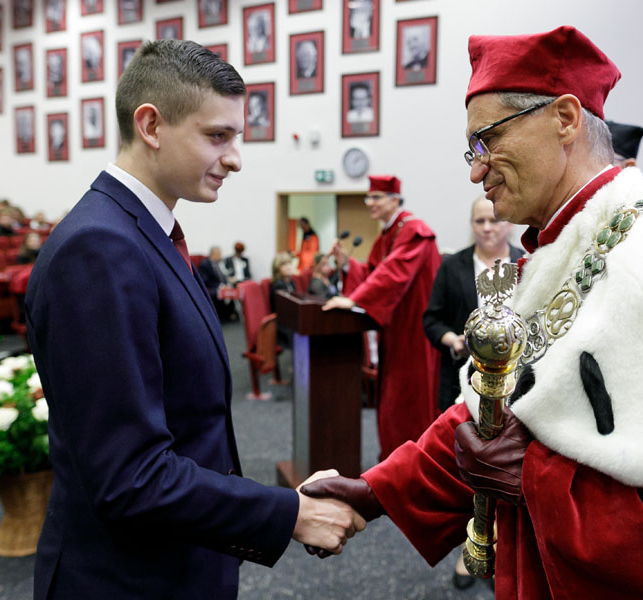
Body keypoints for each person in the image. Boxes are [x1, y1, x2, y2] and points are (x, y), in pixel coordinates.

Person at [302, 27, 643, 598]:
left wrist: (535, 482)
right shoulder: (558, 248)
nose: (474, 170)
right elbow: (495, 413)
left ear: (564, 119)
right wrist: (375, 491)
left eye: (486, 141)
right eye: (471, 150)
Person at [24, 40, 363, 600]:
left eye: (237, 137)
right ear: (152, 125)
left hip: (174, 562)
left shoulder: (139, 234)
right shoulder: (100, 249)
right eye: (217, 136)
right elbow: (129, 475)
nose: (234, 157)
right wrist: (288, 513)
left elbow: (186, 425)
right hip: (124, 580)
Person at [422, 195, 523, 590]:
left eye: (495, 219)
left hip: (517, 384)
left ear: (508, 224)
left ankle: (509, 548)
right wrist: (453, 338)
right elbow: (431, 319)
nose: (487, 227)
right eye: (480, 220)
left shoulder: (526, 263)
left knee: (507, 470)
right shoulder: (453, 266)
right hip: (462, 380)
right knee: (468, 468)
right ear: (471, 225)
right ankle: (471, 548)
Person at [323, 175, 441, 460]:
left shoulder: (413, 230)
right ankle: (392, 463)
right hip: (395, 330)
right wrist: (346, 264)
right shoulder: (389, 234)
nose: (369, 203)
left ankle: (413, 467)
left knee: (408, 401)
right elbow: (375, 275)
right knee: (391, 400)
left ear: (395, 200)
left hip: (415, 331)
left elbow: (393, 275)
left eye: (376, 197)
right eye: (368, 197)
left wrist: (354, 298)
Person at [198, 245, 237, 321]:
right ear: (213, 254)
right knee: (219, 292)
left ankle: (230, 314)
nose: (220, 256)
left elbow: (223, 276)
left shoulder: (219, 263)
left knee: (232, 288)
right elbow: (205, 281)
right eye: (219, 254)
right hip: (211, 287)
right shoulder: (204, 264)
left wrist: (227, 284)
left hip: (221, 286)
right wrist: (221, 286)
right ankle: (221, 316)